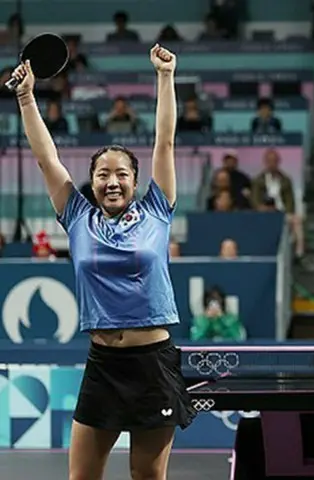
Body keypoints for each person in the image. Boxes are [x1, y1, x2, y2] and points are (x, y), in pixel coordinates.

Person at [9, 44, 196, 480]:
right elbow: (46, 157)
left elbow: (164, 140)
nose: (112, 182)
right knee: (83, 477)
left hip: (153, 363)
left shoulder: (156, 210)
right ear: (91, 182)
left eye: (122, 174)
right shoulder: (77, 216)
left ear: (135, 180)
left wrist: (165, 77)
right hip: (103, 364)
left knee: (147, 476)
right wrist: (25, 97)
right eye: (102, 175)